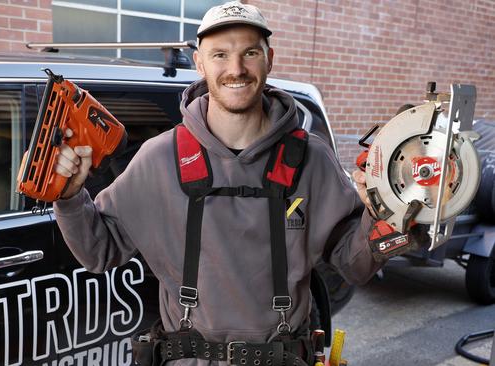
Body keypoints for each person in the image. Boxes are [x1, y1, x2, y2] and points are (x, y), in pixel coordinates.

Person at [53, 2, 384, 365]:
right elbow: (100, 251)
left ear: (269, 59)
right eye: (220, 54)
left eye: (250, 53)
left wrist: (388, 208)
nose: (236, 69)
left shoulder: (311, 160)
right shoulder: (159, 159)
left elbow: (354, 264)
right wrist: (69, 197)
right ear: (200, 63)